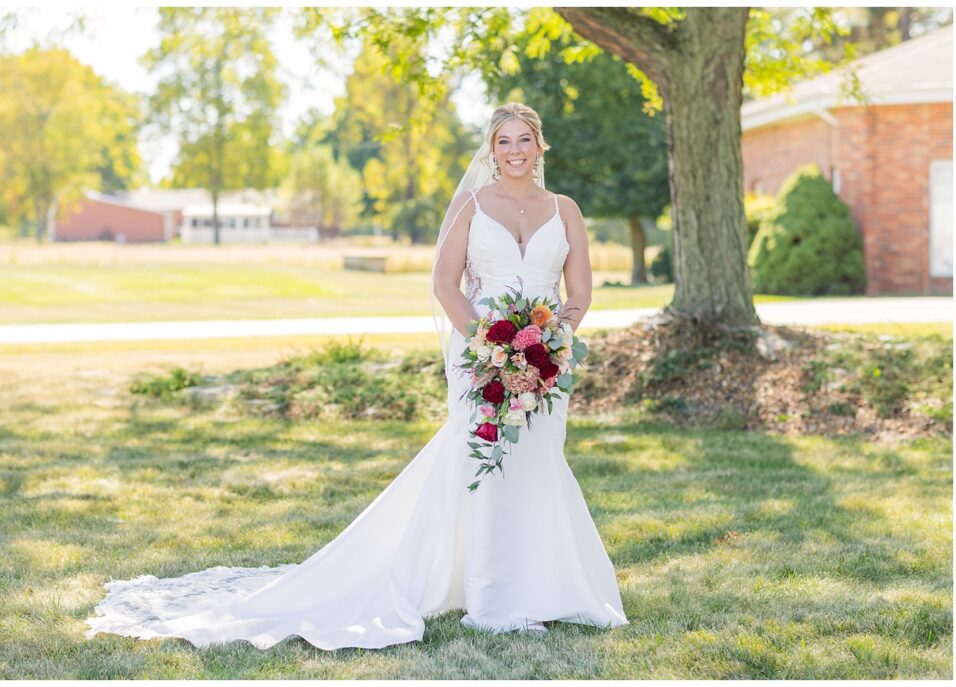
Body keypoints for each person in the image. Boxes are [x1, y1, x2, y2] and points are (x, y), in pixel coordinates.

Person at [85, 102, 628, 652]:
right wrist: (490, 349)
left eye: (525, 140)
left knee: (536, 463)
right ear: (492, 150)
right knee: (483, 465)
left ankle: (548, 587)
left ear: (540, 147)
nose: (515, 151)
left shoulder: (565, 210)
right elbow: (445, 285)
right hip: (480, 358)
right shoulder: (471, 204)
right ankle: (496, 602)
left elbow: (578, 294)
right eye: (504, 141)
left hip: (545, 367)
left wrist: (546, 351)